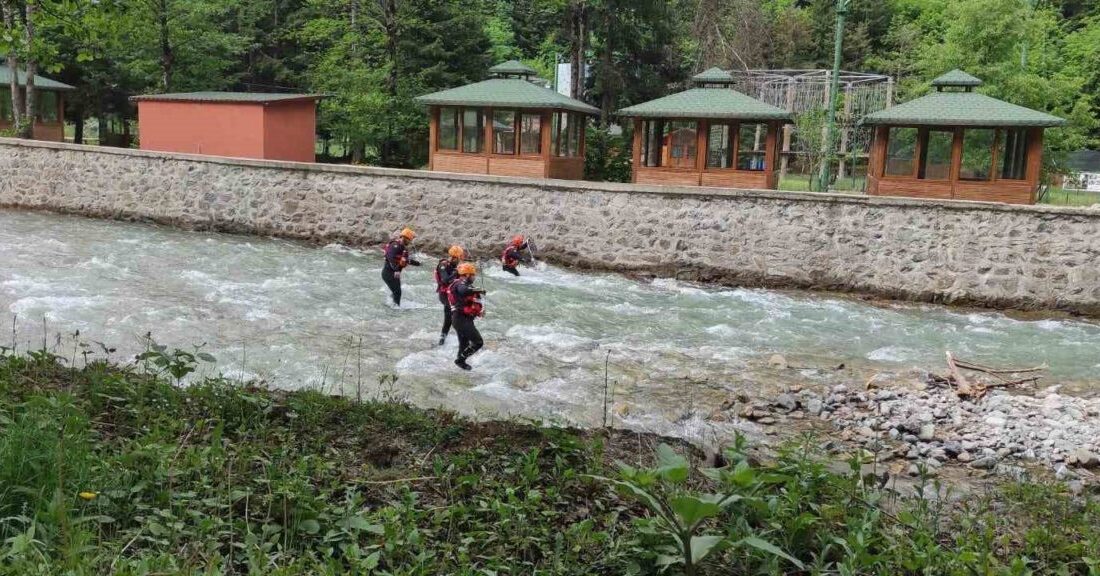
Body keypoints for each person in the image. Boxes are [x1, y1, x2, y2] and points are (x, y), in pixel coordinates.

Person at [448, 262, 484, 370]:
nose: (474, 277)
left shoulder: (465, 284)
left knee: (464, 344)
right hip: (460, 319)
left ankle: (459, 365)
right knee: (478, 342)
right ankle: (460, 360)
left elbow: (468, 301)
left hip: (463, 318)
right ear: (467, 275)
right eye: (472, 275)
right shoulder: (459, 283)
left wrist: (478, 312)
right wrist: (478, 289)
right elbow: (463, 291)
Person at [381, 227, 421, 306]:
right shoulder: (395, 245)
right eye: (409, 239)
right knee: (397, 292)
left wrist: (418, 263)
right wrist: (396, 270)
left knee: (396, 292)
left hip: (394, 274)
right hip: (388, 273)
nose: (410, 242)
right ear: (405, 238)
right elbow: (390, 257)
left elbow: (405, 260)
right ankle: (395, 310)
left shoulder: (403, 248)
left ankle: (390, 305)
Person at [434, 245, 465, 345]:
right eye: (457, 258)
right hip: (444, 295)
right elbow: (445, 280)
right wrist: (456, 273)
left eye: (458, 258)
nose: (457, 260)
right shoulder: (443, 265)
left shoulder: (455, 267)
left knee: (448, 320)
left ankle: (441, 341)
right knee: (458, 317)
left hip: (451, 295)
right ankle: (464, 341)